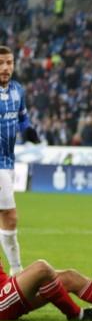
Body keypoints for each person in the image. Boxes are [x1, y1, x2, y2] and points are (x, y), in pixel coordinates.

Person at [0, 46, 40, 276]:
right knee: (10, 215)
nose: (6, 68)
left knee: (5, 216)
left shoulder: (17, 90)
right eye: (1, 63)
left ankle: (13, 271)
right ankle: (16, 270)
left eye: (9, 63)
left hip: (8, 161)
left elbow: (22, 117)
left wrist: (29, 131)